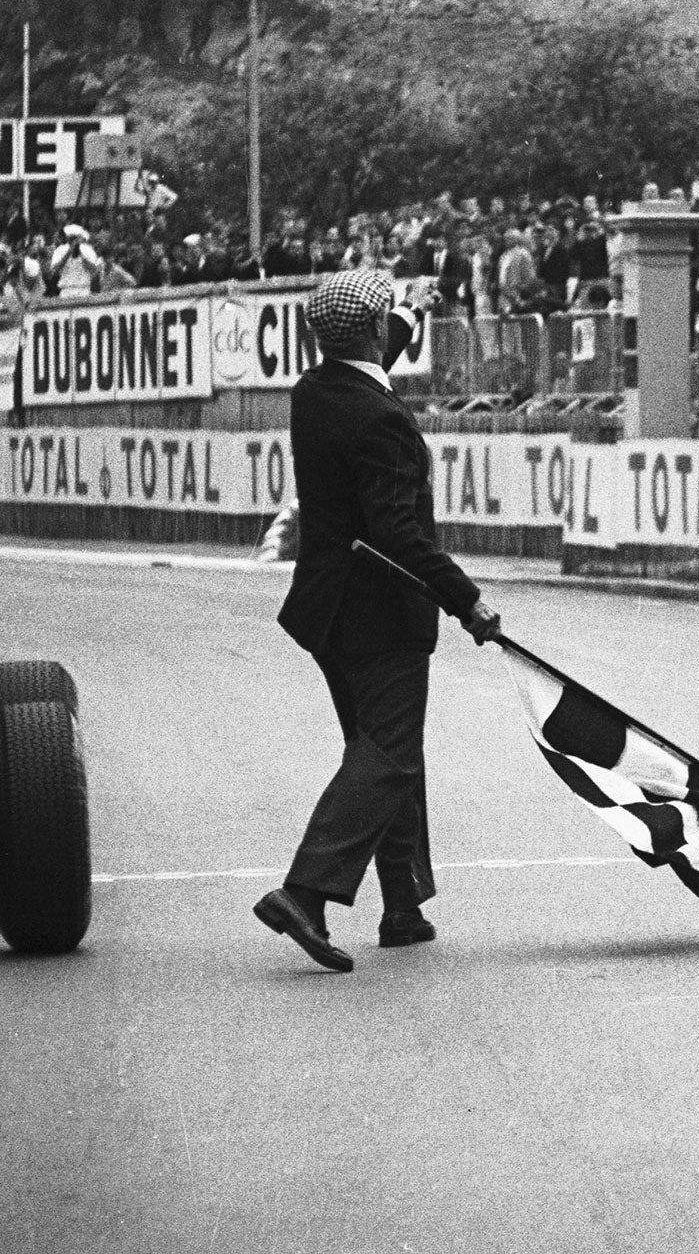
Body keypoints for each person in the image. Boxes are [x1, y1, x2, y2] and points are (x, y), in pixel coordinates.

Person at [256, 270, 501, 973]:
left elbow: (373, 345)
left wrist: (401, 319)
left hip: (326, 607)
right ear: (369, 332)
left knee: (381, 752)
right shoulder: (383, 419)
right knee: (389, 754)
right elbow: (398, 531)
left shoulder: (315, 393)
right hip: (381, 615)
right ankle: (305, 892)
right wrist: (467, 599)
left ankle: (402, 906)